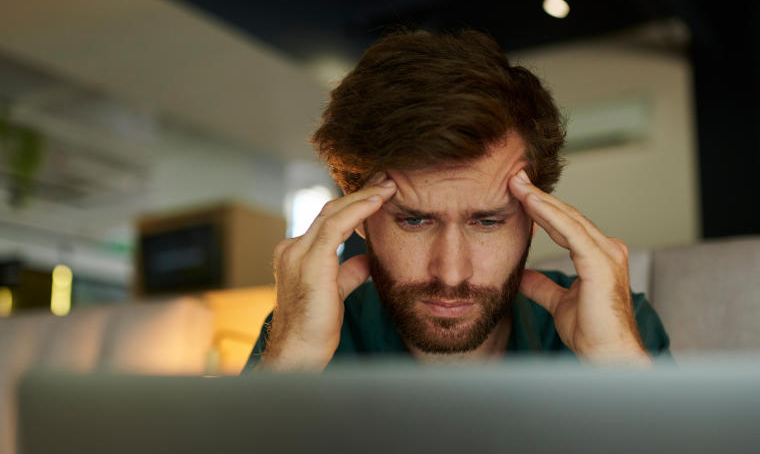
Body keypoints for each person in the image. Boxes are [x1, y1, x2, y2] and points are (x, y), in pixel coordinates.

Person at [244, 29, 669, 372]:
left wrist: (617, 363)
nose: (450, 272)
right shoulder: (297, 334)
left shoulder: (619, 324)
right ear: (357, 216)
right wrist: (293, 357)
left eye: (487, 222)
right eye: (413, 221)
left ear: (538, 217)